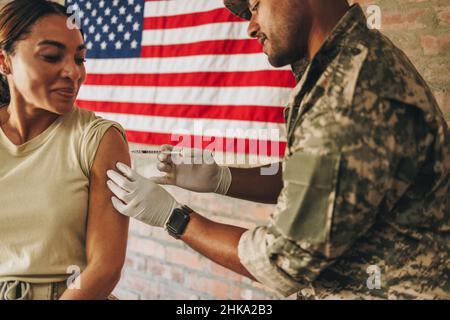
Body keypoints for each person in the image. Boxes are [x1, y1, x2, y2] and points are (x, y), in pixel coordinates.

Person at [106, 0, 450, 299]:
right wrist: (222, 178)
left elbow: (282, 262)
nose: (251, 27)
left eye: (255, 6)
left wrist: (174, 218)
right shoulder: (348, 64)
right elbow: (316, 180)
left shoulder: (350, 91)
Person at [0, 0, 130, 300]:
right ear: (4, 61)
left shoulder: (99, 138)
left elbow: (105, 266)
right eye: (51, 56)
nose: (73, 72)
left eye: (80, 59)